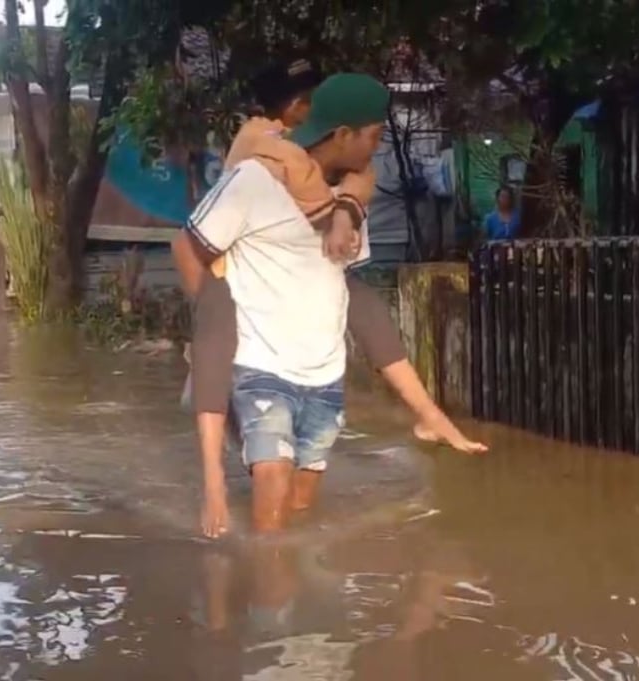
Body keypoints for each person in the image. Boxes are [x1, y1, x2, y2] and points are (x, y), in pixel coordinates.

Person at [175, 64, 486, 539]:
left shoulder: (350, 201)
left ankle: (286, 598)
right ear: (344, 134)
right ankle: (261, 602)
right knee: (271, 514)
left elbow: (354, 301)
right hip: (260, 369)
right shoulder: (255, 180)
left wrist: (428, 412)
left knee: (298, 513)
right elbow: (187, 248)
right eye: (375, 135)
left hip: (322, 378)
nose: (378, 147)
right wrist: (213, 333)